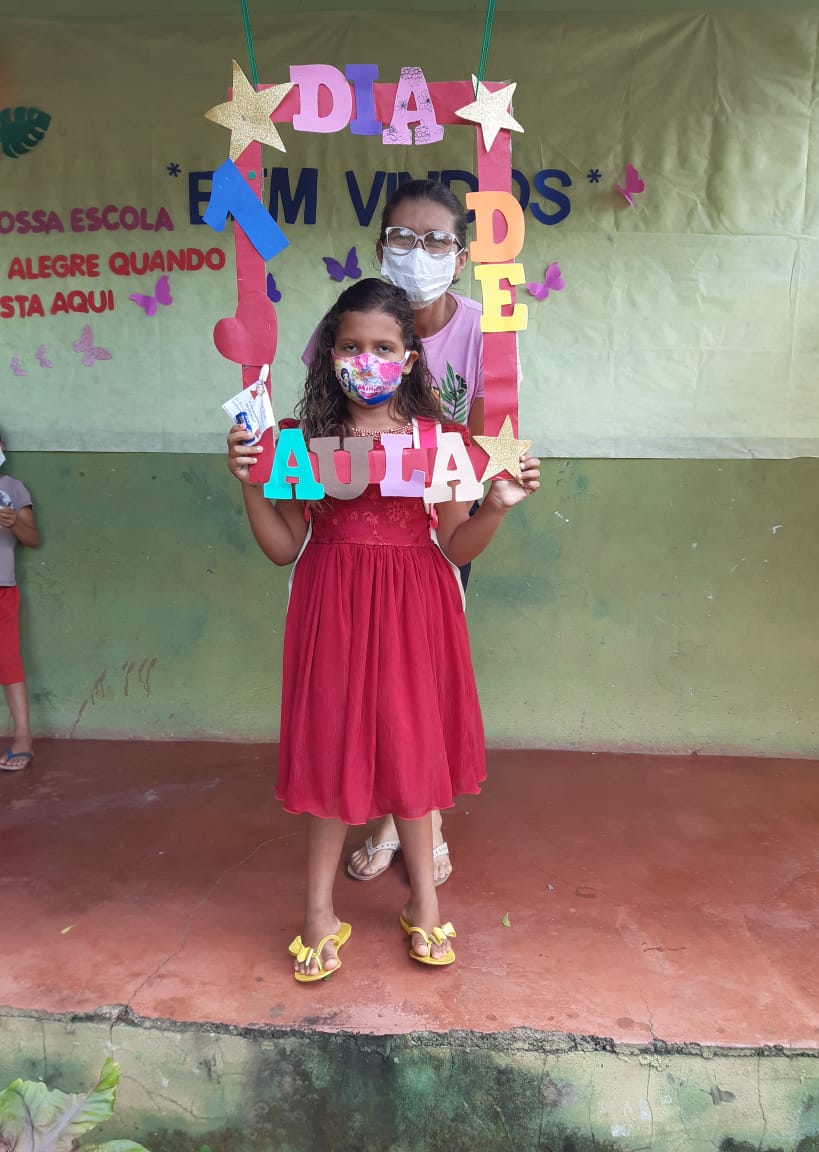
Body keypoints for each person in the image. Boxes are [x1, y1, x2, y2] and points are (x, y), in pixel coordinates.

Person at [228, 279, 539, 979]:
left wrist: (496, 507)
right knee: (332, 746)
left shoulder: (444, 442)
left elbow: (455, 544)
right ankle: (318, 911)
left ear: (410, 357)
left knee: (410, 743)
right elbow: (282, 547)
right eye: (350, 346)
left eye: (383, 347)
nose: (366, 360)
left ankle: (423, 904)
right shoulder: (303, 442)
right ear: (329, 354)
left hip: (415, 605)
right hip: (332, 604)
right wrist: (249, 482)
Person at [302, 179, 484, 888]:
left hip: (430, 529)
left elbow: (482, 448)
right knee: (355, 695)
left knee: (414, 694)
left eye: (436, 240)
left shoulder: (482, 332)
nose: (418, 252)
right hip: (345, 550)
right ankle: (385, 818)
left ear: (460, 256)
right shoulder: (344, 327)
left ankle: (415, 824)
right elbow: (322, 428)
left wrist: (487, 496)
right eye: (403, 238)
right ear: (381, 246)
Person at [0, 429, 40, 771]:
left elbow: (32, 538)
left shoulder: (13, 489)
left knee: (8, 662)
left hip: (3, 589)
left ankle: (23, 737)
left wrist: (14, 523)